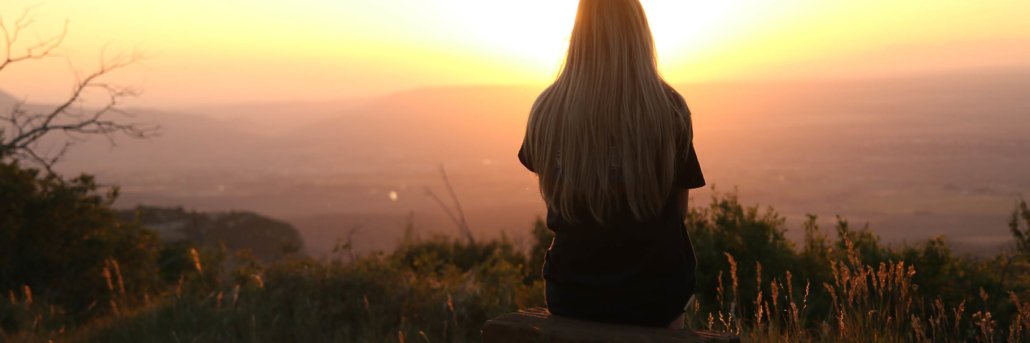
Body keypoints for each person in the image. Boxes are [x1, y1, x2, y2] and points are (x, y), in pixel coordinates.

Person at [517, 0, 705, 329]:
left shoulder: (546, 110)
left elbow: (555, 195)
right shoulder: (669, 111)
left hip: (571, 294)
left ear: (579, 35)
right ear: (640, 36)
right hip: (655, 298)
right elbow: (679, 212)